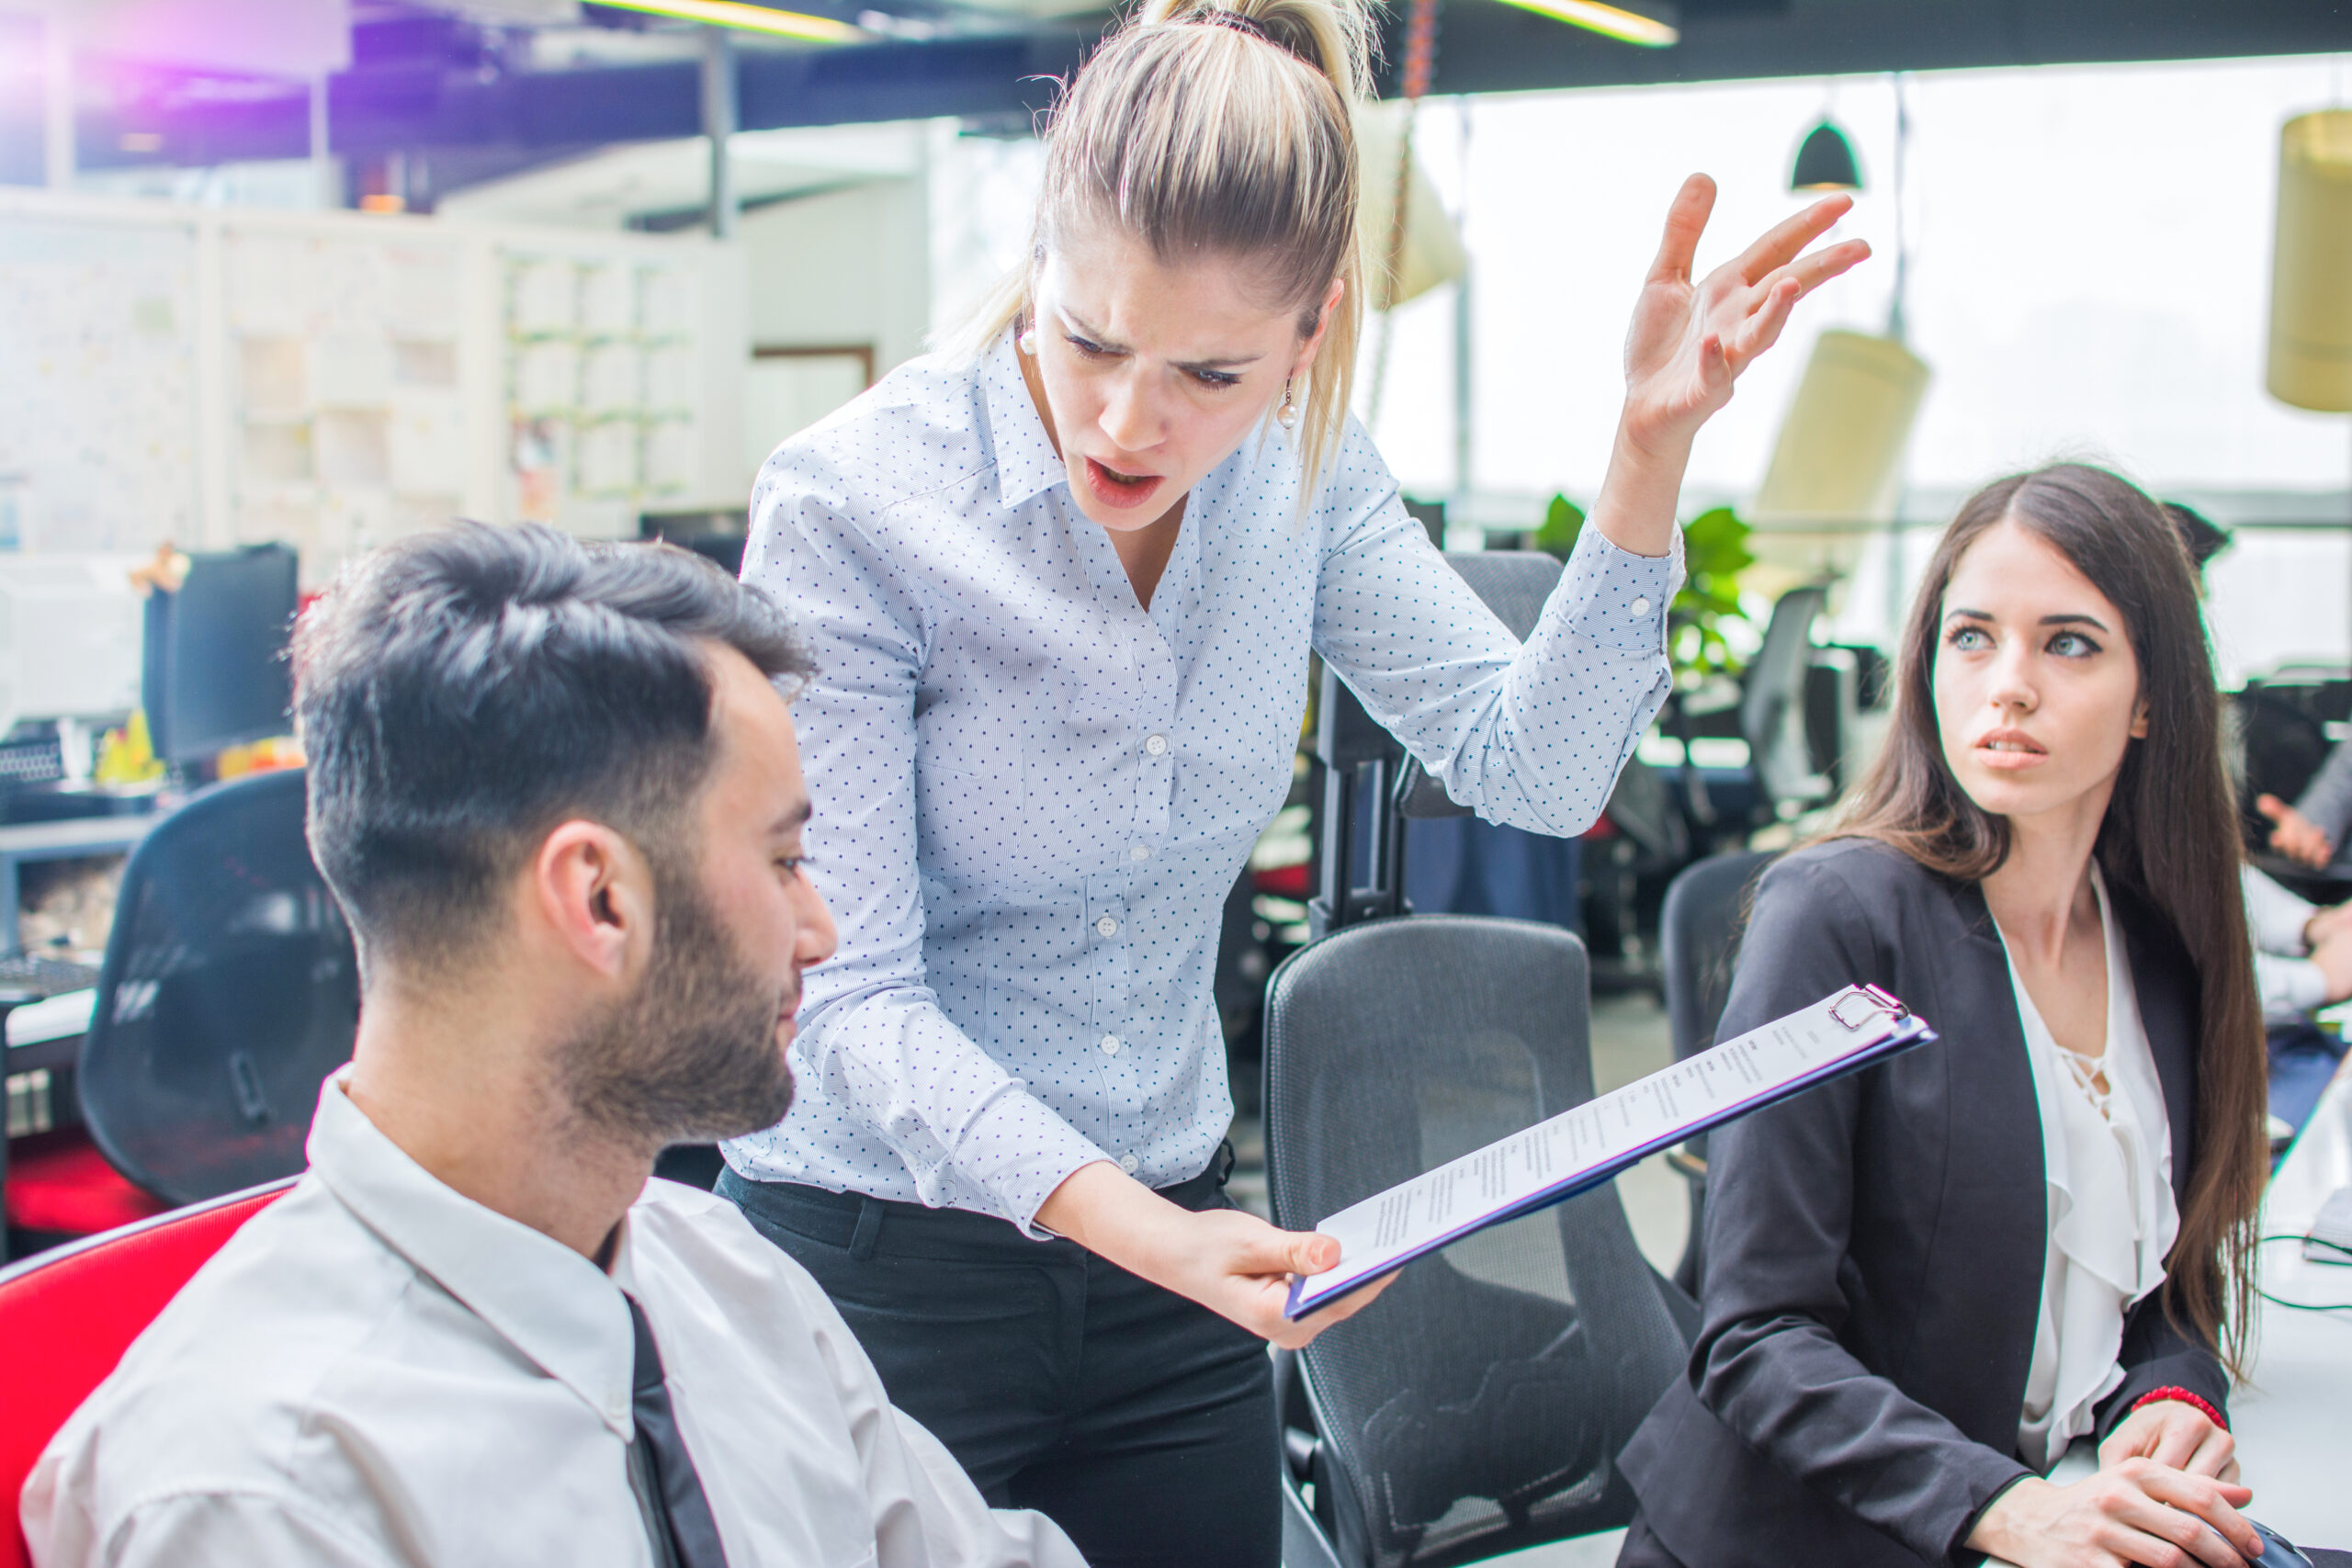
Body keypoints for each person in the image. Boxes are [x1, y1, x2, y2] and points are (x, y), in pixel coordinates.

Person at [721, 0, 1866, 1558]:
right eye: (1089, 339)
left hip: (1182, 1259)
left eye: (1209, 370)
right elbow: (846, 1003)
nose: (1129, 419)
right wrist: (1156, 1235)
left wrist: (1647, 452)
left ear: (1312, 331)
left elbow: (1533, 768)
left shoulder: (1308, 475)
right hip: (887, 1266)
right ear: (1038, 260)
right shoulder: (857, 504)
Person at [21, 525, 1088, 1568]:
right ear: (599, 899)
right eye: (783, 861)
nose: (821, 930)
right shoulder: (262, 1495)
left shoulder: (725, 1281)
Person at [1615, 465, 2284, 1568]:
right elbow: (1751, 1341)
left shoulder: (2159, 945)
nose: (2007, 685)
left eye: (2068, 642)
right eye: (1971, 637)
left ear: (2154, 694)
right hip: (1811, 1545)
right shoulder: (1832, 915)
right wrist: (2013, 1512)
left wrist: (2172, 1399)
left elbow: (2164, 1288)